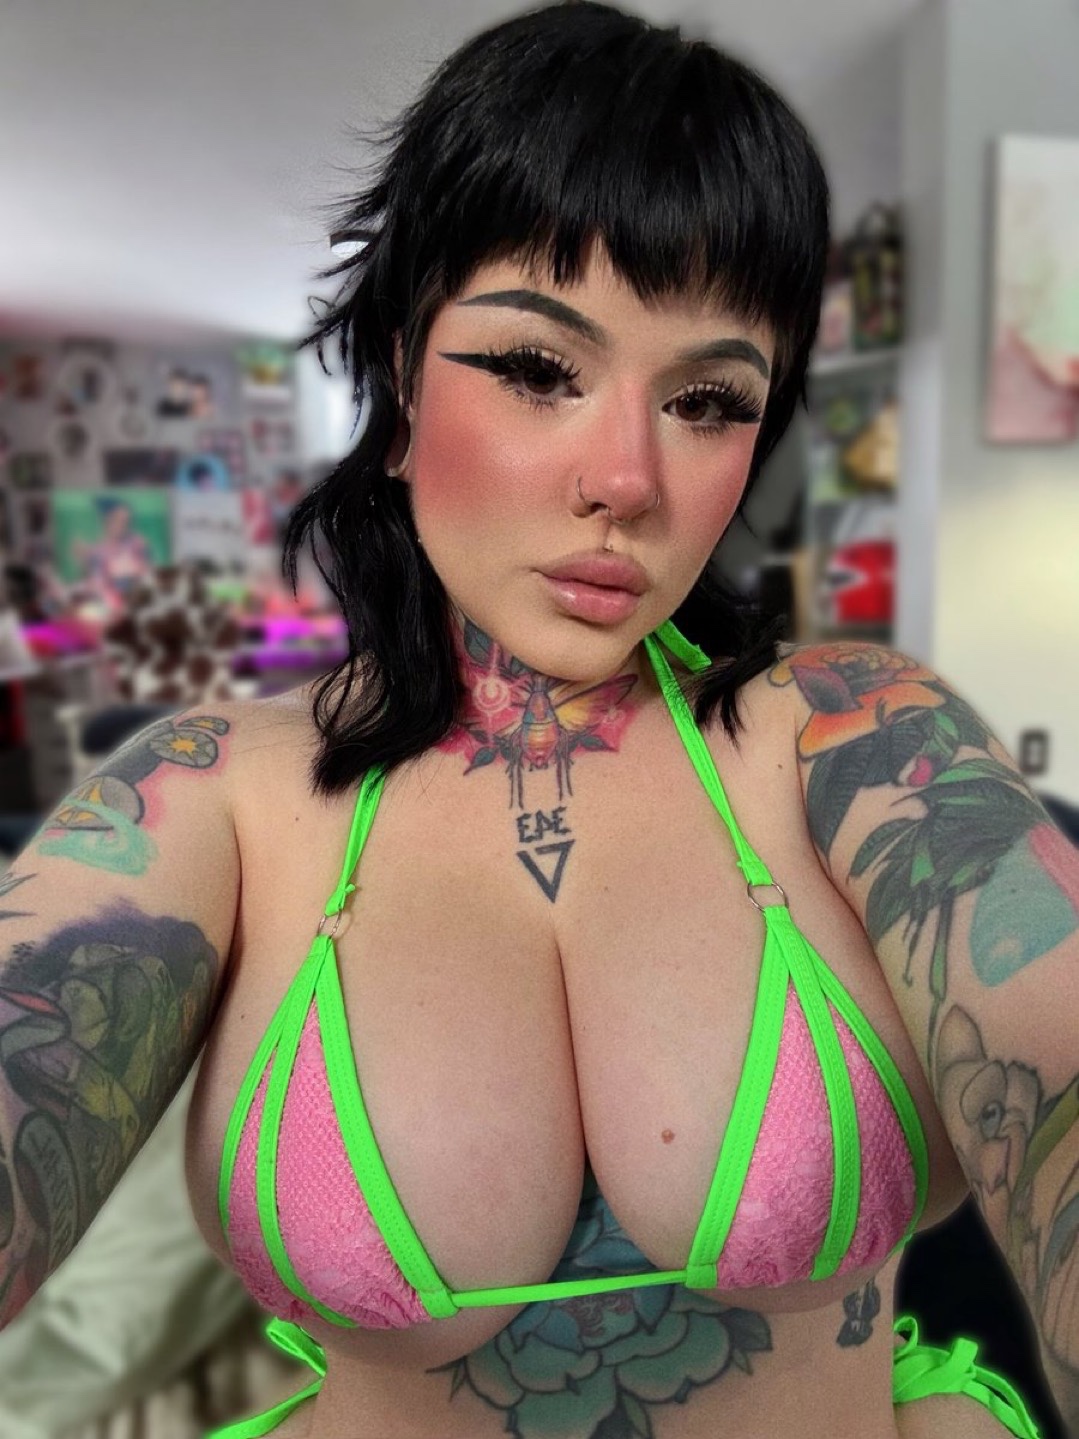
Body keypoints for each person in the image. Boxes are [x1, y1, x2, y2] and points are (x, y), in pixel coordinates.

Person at [0, 5, 1076, 1438]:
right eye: (536, 368)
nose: (627, 478)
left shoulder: (860, 745)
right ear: (400, 384)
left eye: (708, 399)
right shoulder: (210, 796)